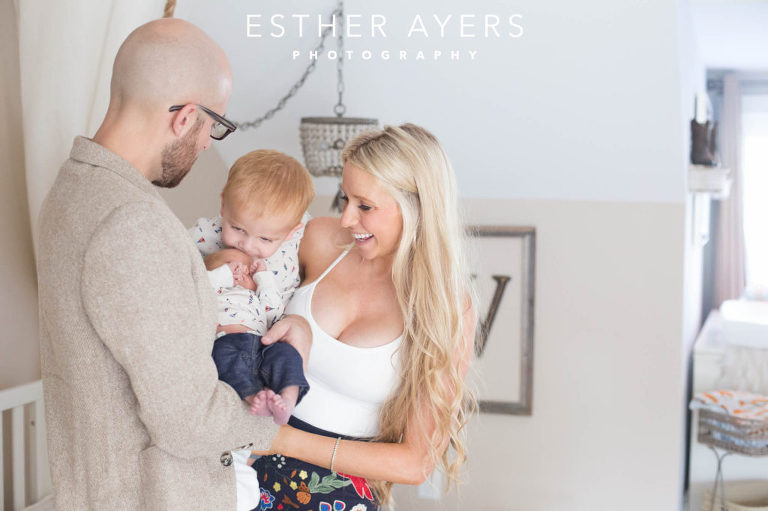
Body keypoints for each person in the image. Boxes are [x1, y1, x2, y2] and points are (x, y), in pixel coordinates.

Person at [36, 19, 310, 511]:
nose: (208, 144)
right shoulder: (132, 222)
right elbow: (188, 420)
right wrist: (286, 431)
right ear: (185, 117)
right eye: (215, 127)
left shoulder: (71, 190)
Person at [250, 123, 478, 510]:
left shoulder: (446, 309)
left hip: (336, 497)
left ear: (416, 207)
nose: (346, 219)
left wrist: (282, 441)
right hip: (243, 468)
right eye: (345, 199)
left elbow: (416, 462)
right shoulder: (318, 240)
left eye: (365, 206)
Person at [192, 150, 314, 425]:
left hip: (267, 337)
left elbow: (276, 311)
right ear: (223, 206)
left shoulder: (293, 240)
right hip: (226, 335)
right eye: (237, 228)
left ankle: (289, 398)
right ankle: (252, 396)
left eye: (265, 239)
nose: (247, 245)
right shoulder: (205, 234)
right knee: (224, 360)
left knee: (288, 356)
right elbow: (175, 265)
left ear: (291, 233)